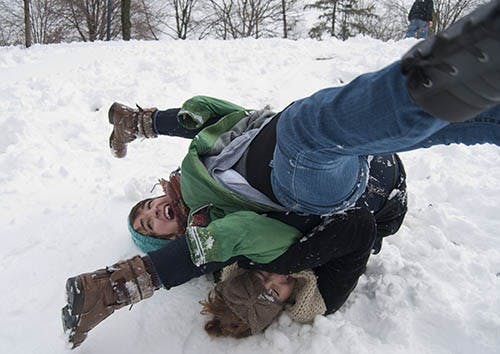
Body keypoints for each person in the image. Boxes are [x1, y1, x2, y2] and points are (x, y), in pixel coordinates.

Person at [61, 0, 500, 349]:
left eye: (147, 208)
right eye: (152, 226)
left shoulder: (194, 168)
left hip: (331, 152)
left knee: (417, 126)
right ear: (171, 240)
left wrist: (153, 122)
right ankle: (464, 59)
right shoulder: (217, 234)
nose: (156, 212)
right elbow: (239, 239)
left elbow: (228, 117)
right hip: (307, 182)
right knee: (309, 126)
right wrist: (128, 282)